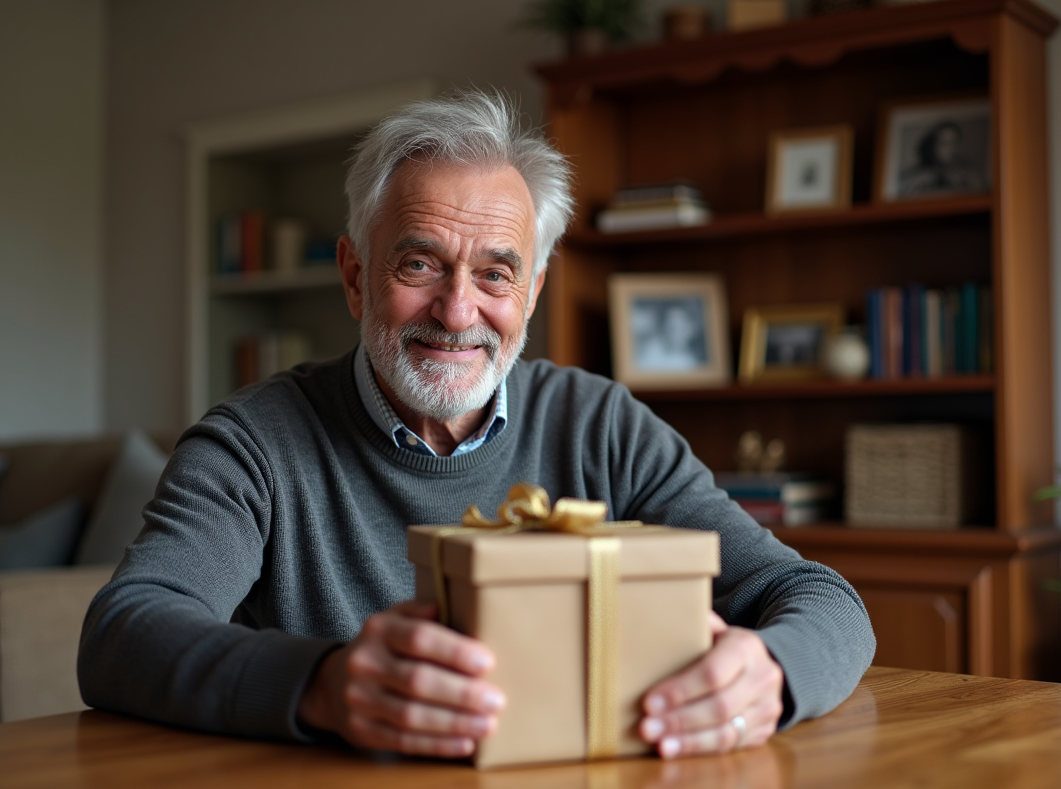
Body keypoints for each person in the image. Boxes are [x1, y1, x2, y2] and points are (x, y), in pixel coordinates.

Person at [78, 90, 874, 761]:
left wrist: (772, 673)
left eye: (496, 273)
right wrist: (322, 684)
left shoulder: (602, 425)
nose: (459, 312)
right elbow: (123, 632)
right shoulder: (252, 442)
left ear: (532, 293)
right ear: (355, 276)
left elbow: (818, 597)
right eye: (419, 264)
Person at [897, 120, 987, 197]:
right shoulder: (917, 177)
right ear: (933, 146)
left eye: (955, 142)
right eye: (944, 143)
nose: (951, 148)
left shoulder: (972, 175)